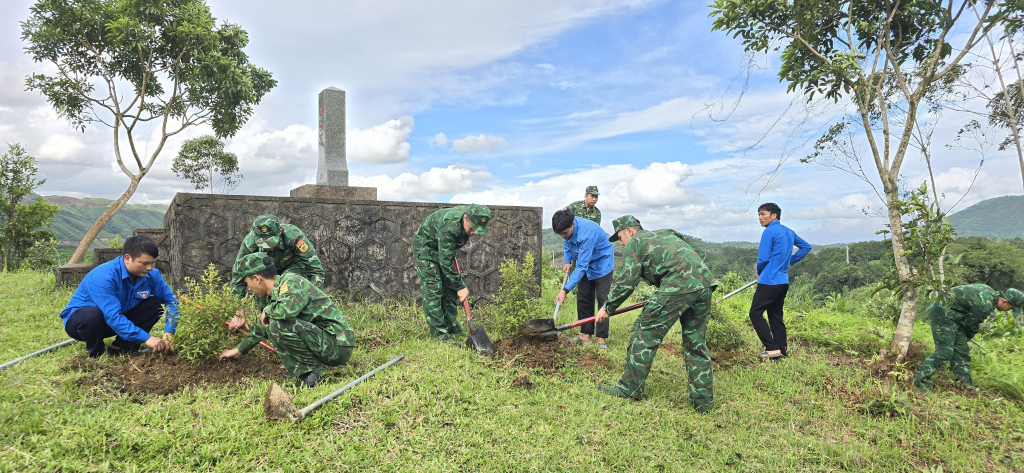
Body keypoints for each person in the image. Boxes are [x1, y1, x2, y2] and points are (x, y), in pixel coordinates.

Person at [595, 216, 717, 413]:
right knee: (695, 342)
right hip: (704, 283)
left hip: (679, 285)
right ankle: (702, 402)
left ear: (630, 231)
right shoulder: (666, 233)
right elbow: (697, 252)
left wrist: (607, 308)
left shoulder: (634, 243)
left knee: (643, 332)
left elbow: (628, 280)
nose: (621, 243)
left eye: (620, 237)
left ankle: (629, 389)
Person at [219, 253, 356, 388]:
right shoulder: (278, 293)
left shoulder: (290, 281)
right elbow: (263, 327)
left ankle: (314, 375)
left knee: (277, 323)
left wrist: (267, 310)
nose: (249, 288)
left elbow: (285, 311)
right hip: (326, 342)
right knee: (274, 323)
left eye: (247, 283)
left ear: (257, 278)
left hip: (337, 344)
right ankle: (303, 372)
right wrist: (238, 350)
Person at [60, 235, 176, 358]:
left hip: (116, 318)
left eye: (153, 263)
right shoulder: (103, 277)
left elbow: (171, 301)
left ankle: (122, 347)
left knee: (156, 303)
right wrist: (147, 339)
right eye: (144, 263)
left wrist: (169, 332)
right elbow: (112, 316)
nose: (149, 267)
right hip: (83, 323)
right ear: (127, 258)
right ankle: (97, 353)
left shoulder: (152, 275)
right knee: (91, 314)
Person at [914, 285, 1024, 393]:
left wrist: (965, 336)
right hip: (943, 314)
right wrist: (969, 336)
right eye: (1011, 307)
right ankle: (920, 382)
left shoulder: (989, 291)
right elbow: (972, 324)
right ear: (1004, 301)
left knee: (962, 352)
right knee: (945, 351)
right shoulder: (985, 304)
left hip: (955, 316)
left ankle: (966, 386)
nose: (1008, 310)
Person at [411, 204, 492, 345]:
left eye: (477, 230)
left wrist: (456, 286)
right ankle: (440, 333)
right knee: (433, 290)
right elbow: (445, 261)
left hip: (443, 248)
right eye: (471, 228)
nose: (473, 232)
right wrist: (460, 286)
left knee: (449, 289)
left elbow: (446, 254)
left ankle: (451, 325)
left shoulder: (472, 214)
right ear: (465, 218)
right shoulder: (450, 226)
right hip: (426, 248)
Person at [228, 215, 325, 330]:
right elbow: (238, 274)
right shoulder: (250, 242)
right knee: (262, 292)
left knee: (289, 290)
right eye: (263, 243)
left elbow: (316, 271)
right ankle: (269, 327)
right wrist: (239, 313)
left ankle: (294, 327)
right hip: (266, 270)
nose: (267, 247)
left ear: (279, 232)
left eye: (270, 242)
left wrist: (310, 299)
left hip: (291, 267)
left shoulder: (293, 236)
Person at [750, 203, 811, 359]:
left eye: (763, 214)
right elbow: (806, 247)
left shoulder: (769, 232)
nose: (760, 218)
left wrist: (758, 272)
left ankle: (771, 348)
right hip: (782, 282)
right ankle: (781, 351)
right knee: (775, 315)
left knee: (755, 313)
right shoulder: (788, 232)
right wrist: (790, 260)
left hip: (769, 281)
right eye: (759, 214)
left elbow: (763, 258)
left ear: (774, 215)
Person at [552, 208, 615, 350]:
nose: (563, 236)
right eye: (560, 234)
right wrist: (567, 260)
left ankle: (601, 339)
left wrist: (565, 290)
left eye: (565, 233)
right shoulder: (566, 231)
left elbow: (581, 267)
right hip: (584, 262)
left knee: (603, 300)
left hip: (601, 263)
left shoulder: (586, 235)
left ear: (573, 224)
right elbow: (567, 244)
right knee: (583, 298)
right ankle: (586, 335)